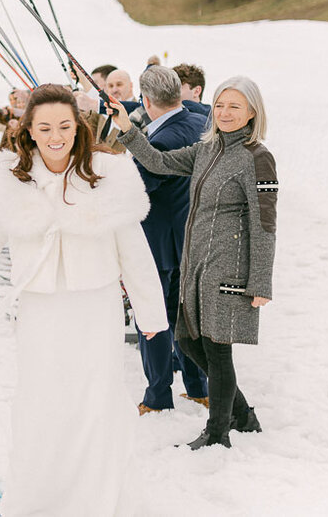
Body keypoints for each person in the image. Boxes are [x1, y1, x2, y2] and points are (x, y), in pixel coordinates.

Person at [0, 84, 168, 515]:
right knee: (41, 408)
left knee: (95, 407)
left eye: (65, 126)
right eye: (45, 127)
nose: (56, 136)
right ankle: (40, 500)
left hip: (95, 310)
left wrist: (151, 313)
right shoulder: (9, 177)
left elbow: (135, 252)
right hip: (41, 312)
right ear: (29, 131)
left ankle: (93, 502)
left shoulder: (109, 174)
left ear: (79, 127)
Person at [108, 75, 277, 449]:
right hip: (196, 264)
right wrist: (125, 128)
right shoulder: (206, 149)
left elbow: (265, 223)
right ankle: (244, 414)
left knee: (217, 349)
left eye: (235, 106)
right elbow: (158, 162)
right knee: (187, 341)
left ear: (252, 112)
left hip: (229, 268)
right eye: (220, 105)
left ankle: (218, 434)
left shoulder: (257, 158)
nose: (225, 113)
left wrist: (261, 282)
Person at [125, 67, 209, 416]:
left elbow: (135, 190)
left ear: (146, 101)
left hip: (158, 242)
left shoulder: (161, 140)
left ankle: (158, 395)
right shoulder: (198, 121)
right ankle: (197, 387)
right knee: (184, 318)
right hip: (187, 235)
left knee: (153, 320)